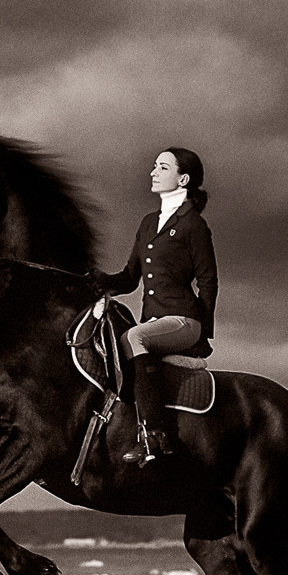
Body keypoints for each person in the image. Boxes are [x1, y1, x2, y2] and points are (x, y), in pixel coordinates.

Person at [100, 146, 216, 465]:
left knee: (133, 338)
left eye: (162, 168)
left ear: (183, 178)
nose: (153, 172)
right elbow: (128, 278)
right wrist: (93, 280)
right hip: (153, 322)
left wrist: (203, 333)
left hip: (184, 321)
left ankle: (156, 436)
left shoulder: (193, 225)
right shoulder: (148, 223)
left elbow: (208, 281)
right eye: (154, 166)